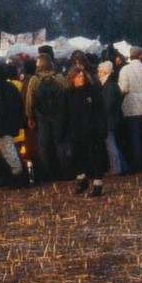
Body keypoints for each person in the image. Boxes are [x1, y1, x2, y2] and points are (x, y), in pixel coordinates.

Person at [26, 53, 69, 181]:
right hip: (58, 116)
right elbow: (67, 95)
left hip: (41, 116)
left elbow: (30, 100)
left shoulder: (34, 79)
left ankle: (47, 174)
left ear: (41, 63)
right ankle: (64, 173)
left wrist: (30, 117)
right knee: (60, 143)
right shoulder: (60, 78)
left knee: (43, 145)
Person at [66, 66, 106, 194]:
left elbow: (100, 111)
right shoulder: (68, 94)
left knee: (95, 159)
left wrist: (101, 128)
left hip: (92, 130)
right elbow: (64, 114)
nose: (81, 79)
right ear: (73, 79)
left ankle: (97, 185)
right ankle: (82, 181)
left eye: (82, 76)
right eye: (78, 77)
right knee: (76, 157)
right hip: (76, 131)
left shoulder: (92, 92)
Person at [118, 47, 142, 172]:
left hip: (131, 108)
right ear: (140, 55)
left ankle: (137, 165)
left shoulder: (125, 69)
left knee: (135, 138)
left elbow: (124, 88)